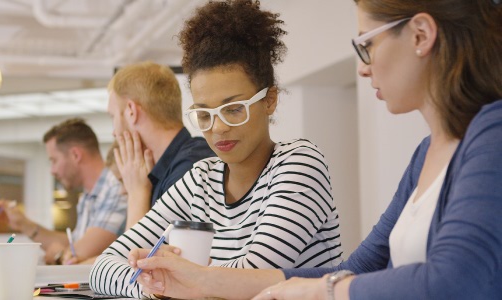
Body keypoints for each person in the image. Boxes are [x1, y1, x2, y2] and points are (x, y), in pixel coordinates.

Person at [128, 0, 502, 299]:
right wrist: (198, 280)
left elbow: (454, 281)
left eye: (366, 44)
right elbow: (361, 265)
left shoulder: (492, 134)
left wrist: (324, 291)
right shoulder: (425, 153)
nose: (362, 68)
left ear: (420, 34)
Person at [89, 1, 343, 297]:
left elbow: (253, 277)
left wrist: (178, 279)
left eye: (234, 109)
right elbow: (103, 265)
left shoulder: (299, 164)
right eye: (204, 114)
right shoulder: (201, 178)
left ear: (269, 100)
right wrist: (156, 289)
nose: (217, 128)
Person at [0, 118, 128, 265]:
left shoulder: (116, 188)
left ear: (76, 155)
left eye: (54, 160)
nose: (52, 170)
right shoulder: (88, 197)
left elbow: (78, 253)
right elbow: (75, 243)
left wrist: (59, 254)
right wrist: (23, 224)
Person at [107, 61, 215, 227]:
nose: (114, 132)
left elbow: (136, 252)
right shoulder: (161, 171)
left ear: (131, 111)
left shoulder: (191, 168)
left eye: (113, 117)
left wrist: (136, 194)